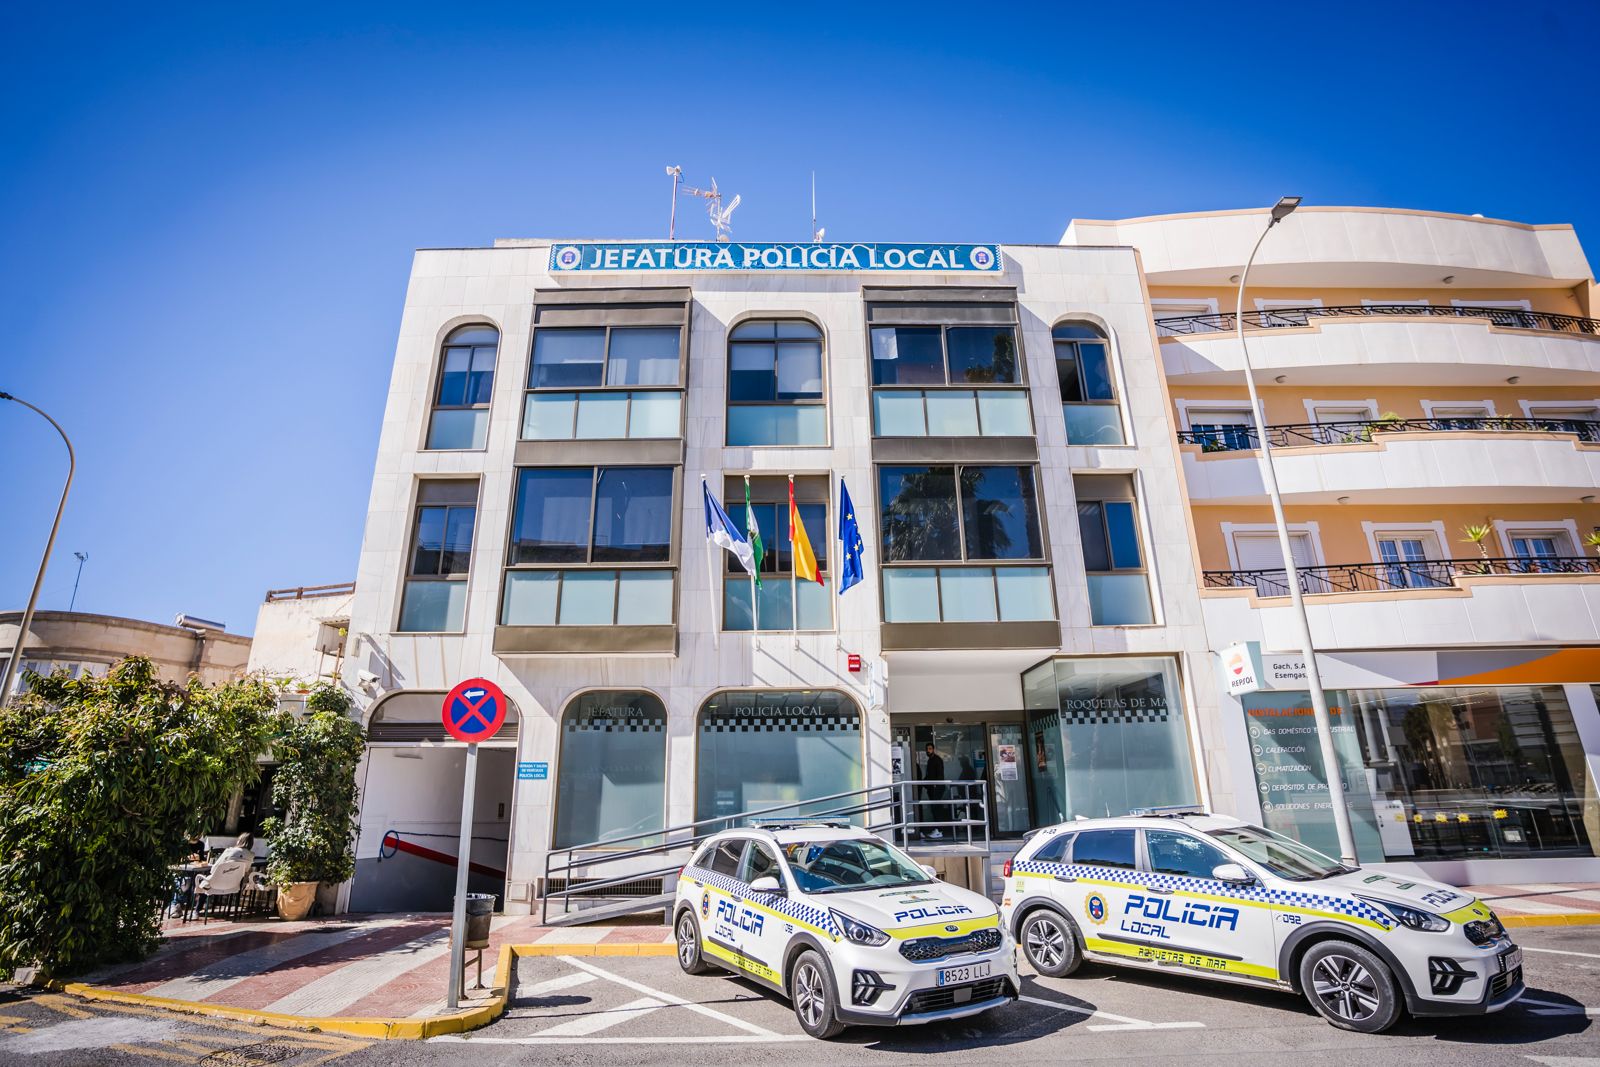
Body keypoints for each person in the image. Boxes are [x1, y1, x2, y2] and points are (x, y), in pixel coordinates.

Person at [195, 833, 255, 912]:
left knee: (202, 881)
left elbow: (215, 868)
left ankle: (196, 910)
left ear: (240, 841)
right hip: (233, 885)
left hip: (216, 884)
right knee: (208, 881)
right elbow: (245, 870)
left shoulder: (229, 851)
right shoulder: (251, 856)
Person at [921, 743, 947, 840]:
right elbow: (929, 775)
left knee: (936, 808)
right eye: (927, 749)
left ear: (933, 749)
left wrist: (936, 785)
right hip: (932, 788)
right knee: (934, 808)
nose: (928, 750)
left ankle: (939, 830)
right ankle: (937, 828)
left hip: (936, 788)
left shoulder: (937, 760)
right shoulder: (930, 760)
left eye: (930, 749)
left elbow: (939, 775)